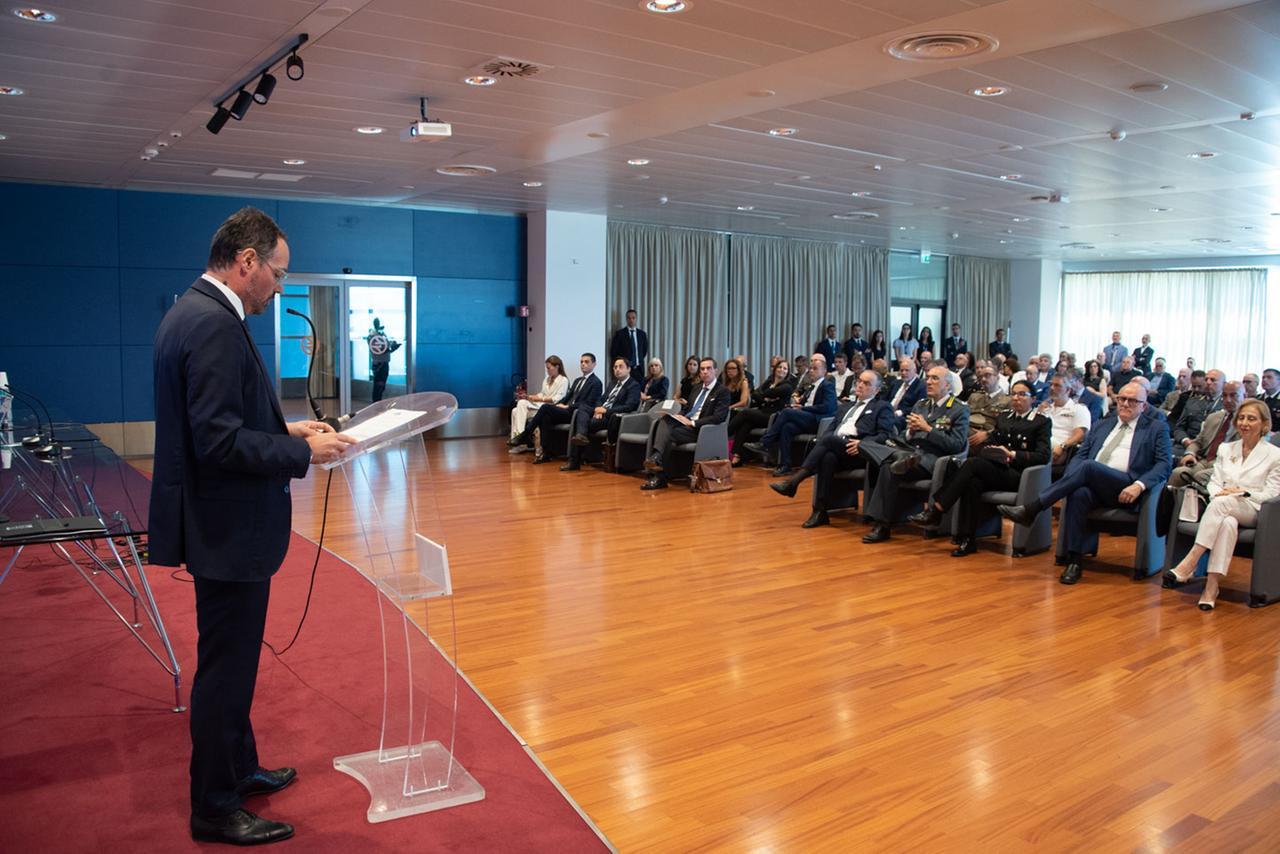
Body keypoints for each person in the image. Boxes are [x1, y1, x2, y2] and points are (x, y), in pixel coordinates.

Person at [149, 207, 357, 846]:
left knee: (232, 663)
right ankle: (214, 807)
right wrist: (301, 452)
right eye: (279, 273)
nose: (280, 286)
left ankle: (238, 769)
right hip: (228, 529)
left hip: (220, 523)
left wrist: (284, 428)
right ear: (247, 262)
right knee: (226, 671)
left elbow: (219, 420)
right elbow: (217, 442)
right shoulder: (214, 323)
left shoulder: (193, 311)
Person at [998, 382, 1172, 585]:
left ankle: (1033, 508)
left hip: (1127, 487)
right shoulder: (1102, 424)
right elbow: (1080, 456)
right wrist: (1073, 478)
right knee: (1079, 493)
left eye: (1132, 401)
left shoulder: (1156, 428)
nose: (1125, 404)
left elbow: (1164, 464)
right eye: (1121, 399)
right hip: (1096, 486)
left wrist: (1139, 485)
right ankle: (1074, 561)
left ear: (1144, 406)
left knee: (1089, 467)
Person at [909, 380, 1051, 556]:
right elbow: (992, 441)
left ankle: (937, 510)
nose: (1016, 398)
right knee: (972, 482)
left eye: (1022, 394)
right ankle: (968, 540)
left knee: (971, 464)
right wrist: (993, 450)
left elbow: (1043, 456)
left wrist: (1013, 454)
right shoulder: (1004, 417)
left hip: (1021, 475)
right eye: (1013, 394)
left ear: (1033, 399)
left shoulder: (1040, 422)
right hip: (998, 469)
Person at [1163, 399, 1280, 610]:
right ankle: (1211, 586)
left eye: (1251, 419)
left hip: (1254, 508)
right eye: (1241, 418)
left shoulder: (1275, 455)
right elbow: (1215, 482)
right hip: (1223, 506)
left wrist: (1241, 492)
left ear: (1264, 424)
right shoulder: (1226, 449)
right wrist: (1220, 495)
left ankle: (1191, 561)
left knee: (1224, 503)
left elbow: (1272, 493)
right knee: (1227, 523)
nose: (1244, 423)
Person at [768, 371, 896, 528]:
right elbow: (831, 429)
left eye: (867, 383)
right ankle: (820, 511)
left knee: (828, 441)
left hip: (859, 451)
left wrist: (862, 444)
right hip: (837, 448)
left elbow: (884, 435)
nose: (860, 385)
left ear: (876, 390)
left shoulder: (882, 407)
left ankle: (794, 481)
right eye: (860, 381)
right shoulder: (845, 407)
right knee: (827, 457)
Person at [859, 365, 969, 543]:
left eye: (935, 379)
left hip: (931, 460)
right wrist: (910, 432)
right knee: (872, 448)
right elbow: (904, 436)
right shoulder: (921, 404)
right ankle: (882, 522)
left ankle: (882, 525)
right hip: (908, 452)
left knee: (888, 465)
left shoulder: (958, 409)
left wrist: (928, 429)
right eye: (928, 378)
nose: (929, 382)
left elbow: (957, 445)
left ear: (947, 385)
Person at [641, 357, 731, 490]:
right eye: (702, 369)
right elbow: (688, 409)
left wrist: (693, 422)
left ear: (715, 371)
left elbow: (719, 417)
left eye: (709, 368)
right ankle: (657, 461)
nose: (705, 371)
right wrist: (679, 416)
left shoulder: (722, 391)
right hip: (685, 424)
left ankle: (658, 470)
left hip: (701, 430)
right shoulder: (696, 388)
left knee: (669, 435)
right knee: (664, 421)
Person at [745, 354, 837, 475]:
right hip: (807, 417)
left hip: (818, 420)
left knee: (786, 413)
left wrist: (803, 408)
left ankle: (765, 443)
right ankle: (785, 465)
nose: (811, 371)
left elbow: (828, 407)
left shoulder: (827, 385)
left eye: (815, 369)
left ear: (824, 371)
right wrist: (796, 405)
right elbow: (803, 403)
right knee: (787, 427)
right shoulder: (811, 386)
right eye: (810, 368)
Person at [509, 353, 603, 461]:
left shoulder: (596, 382)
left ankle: (525, 434)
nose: (583, 364)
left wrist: (568, 406)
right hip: (566, 410)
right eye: (581, 362)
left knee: (545, 408)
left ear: (594, 364)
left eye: (586, 362)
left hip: (576, 413)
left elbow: (588, 403)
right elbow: (567, 397)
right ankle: (546, 453)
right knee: (545, 417)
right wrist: (560, 405)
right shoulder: (577, 380)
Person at [564, 357, 641, 471]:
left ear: (628, 369)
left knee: (583, 423)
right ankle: (581, 436)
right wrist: (598, 409)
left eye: (620, 367)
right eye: (615, 367)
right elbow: (601, 399)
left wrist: (605, 411)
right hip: (601, 412)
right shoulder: (612, 383)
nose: (617, 369)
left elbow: (629, 406)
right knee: (582, 408)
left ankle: (575, 460)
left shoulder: (634, 385)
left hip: (613, 417)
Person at [1169, 381, 1243, 488]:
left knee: (1200, 477)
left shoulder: (1246, 423)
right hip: (1204, 461)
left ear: (1244, 396)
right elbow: (1198, 442)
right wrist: (1190, 453)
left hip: (1226, 464)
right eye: (1224, 395)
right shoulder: (1213, 417)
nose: (1228, 400)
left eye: (1233, 395)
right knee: (1178, 473)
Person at [729, 359, 794, 466]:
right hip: (763, 412)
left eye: (785, 368)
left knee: (745, 413)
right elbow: (755, 394)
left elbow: (768, 392)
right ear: (775, 369)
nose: (782, 370)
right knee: (745, 424)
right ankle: (737, 456)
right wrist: (766, 399)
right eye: (780, 367)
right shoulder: (769, 382)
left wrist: (764, 395)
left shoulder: (787, 386)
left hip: (774, 416)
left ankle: (725, 433)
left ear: (788, 372)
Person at [1038, 373, 1091, 478]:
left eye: (1057, 385)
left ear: (1068, 390)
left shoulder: (1078, 409)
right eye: (1051, 384)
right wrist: (1039, 412)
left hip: (1060, 448)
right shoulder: (1046, 408)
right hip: (1041, 444)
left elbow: (1080, 435)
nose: (1052, 388)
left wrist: (1063, 446)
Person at [509, 356, 568, 448]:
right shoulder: (547, 379)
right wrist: (529, 397)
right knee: (515, 410)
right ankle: (519, 439)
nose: (547, 371)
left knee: (520, 405)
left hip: (550, 408)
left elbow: (557, 398)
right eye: (546, 368)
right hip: (540, 405)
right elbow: (542, 394)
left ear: (557, 367)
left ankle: (520, 437)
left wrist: (540, 399)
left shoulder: (563, 380)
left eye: (549, 368)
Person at [1172, 368, 1225, 447]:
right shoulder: (1192, 402)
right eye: (1206, 379)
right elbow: (1179, 428)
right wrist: (1185, 440)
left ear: (1224, 384)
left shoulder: (1226, 405)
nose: (1208, 382)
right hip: (1187, 443)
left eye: (1213, 380)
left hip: (1212, 446)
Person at [965, 364, 1011, 446]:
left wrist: (988, 434)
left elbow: (1007, 426)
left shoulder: (1007, 400)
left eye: (987, 375)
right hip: (966, 431)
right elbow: (963, 416)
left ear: (997, 377)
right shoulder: (974, 396)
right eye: (981, 377)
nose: (983, 379)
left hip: (988, 437)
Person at [365, 317, 401, 402]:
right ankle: (376, 404)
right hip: (379, 363)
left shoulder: (380, 335)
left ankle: (377, 403)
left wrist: (392, 346)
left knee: (381, 386)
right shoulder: (373, 336)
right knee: (379, 386)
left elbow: (384, 347)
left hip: (383, 362)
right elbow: (381, 349)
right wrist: (391, 348)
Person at [609, 308, 649, 382]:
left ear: (636, 319)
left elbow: (644, 351)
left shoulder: (642, 334)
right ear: (626, 319)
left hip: (639, 369)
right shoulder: (620, 334)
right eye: (629, 318)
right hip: (625, 369)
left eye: (633, 318)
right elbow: (614, 352)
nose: (631, 320)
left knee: (639, 388)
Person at [883, 357, 925, 427]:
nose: (903, 373)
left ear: (915, 371)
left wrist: (900, 412)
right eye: (901, 370)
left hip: (903, 416)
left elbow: (919, 407)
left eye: (907, 370)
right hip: (888, 412)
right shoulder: (896, 383)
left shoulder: (921, 387)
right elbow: (885, 399)